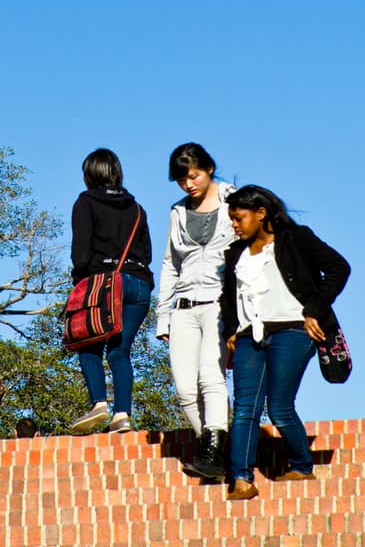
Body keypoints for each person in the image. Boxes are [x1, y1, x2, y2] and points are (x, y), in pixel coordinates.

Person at [220, 185, 350, 501]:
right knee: (244, 408)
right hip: (251, 336)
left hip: (293, 331)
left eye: (239, 218)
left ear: (261, 213)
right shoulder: (236, 253)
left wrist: (314, 312)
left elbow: (338, 268)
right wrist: (231, 332)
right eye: (232, 220)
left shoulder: (295, 239)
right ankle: (241, 478)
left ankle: (302, 464)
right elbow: (228, 296)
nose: (234, 226)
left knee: (278, 407)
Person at [155, 143, 235, 479]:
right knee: (185, 388)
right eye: (182, 180)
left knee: (211, 377)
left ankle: (214, 453)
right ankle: (212, 446)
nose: (189, 184)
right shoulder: (177, 211)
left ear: (209, 169)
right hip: (183, 308)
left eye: (194, 175)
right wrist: (163, 315)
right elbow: (170, 265)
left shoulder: (234, 201)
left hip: (219, 304)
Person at [67, 148, 154, 435]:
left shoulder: (85, 203)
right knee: (120, 352)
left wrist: (80, 283)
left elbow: (80, 254)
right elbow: (148, 253)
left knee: (87, 343)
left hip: (103, 284)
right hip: (139, 285)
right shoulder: (137, 208)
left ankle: (99, 403)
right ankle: (122, 416)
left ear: (89, 175)